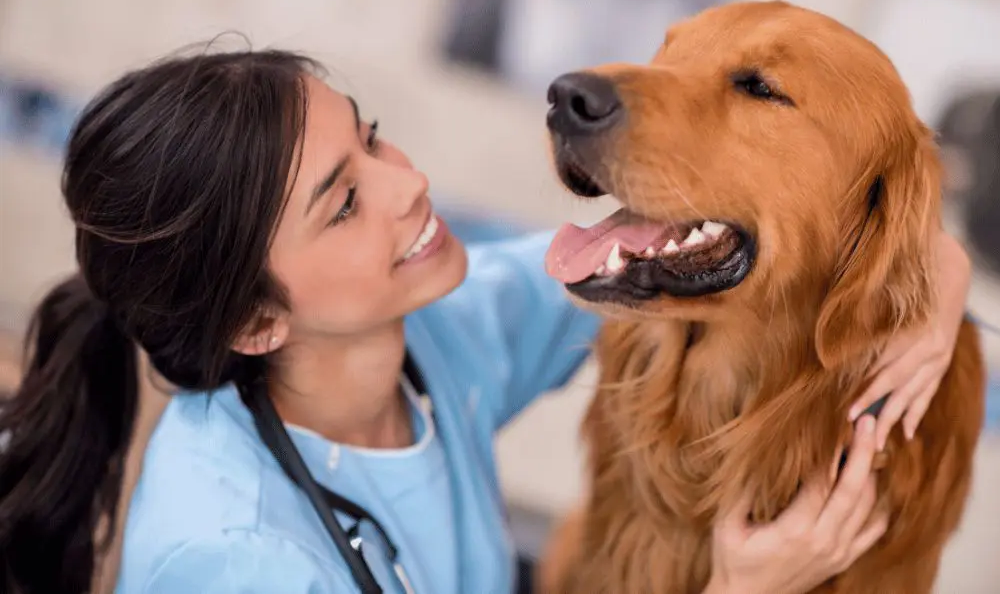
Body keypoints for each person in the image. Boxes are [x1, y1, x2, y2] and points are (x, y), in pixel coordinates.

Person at [0, 49, 971, 594]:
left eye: (371, 135)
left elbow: (743, 248)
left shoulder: (432, 335)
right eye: (343, 202)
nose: (408, 181)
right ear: (256, 321)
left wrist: (934, 284)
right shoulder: (238, 559)